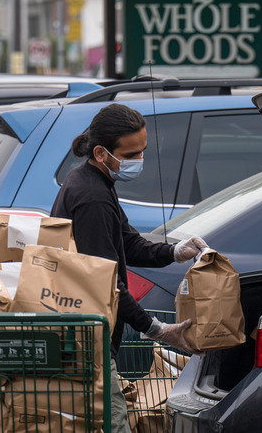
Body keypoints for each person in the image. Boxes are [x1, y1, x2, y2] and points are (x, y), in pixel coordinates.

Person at [50, 103, 207, 432]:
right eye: (131, 154)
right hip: (86, 339)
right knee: (115, 423)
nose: (139, 161)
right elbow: (106, 284)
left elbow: (128, 244)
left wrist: (176, 251)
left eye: (142, 151)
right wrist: (157, 330)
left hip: (88, 336)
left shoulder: (95, 183)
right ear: (101, 152)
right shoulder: (91, 197)